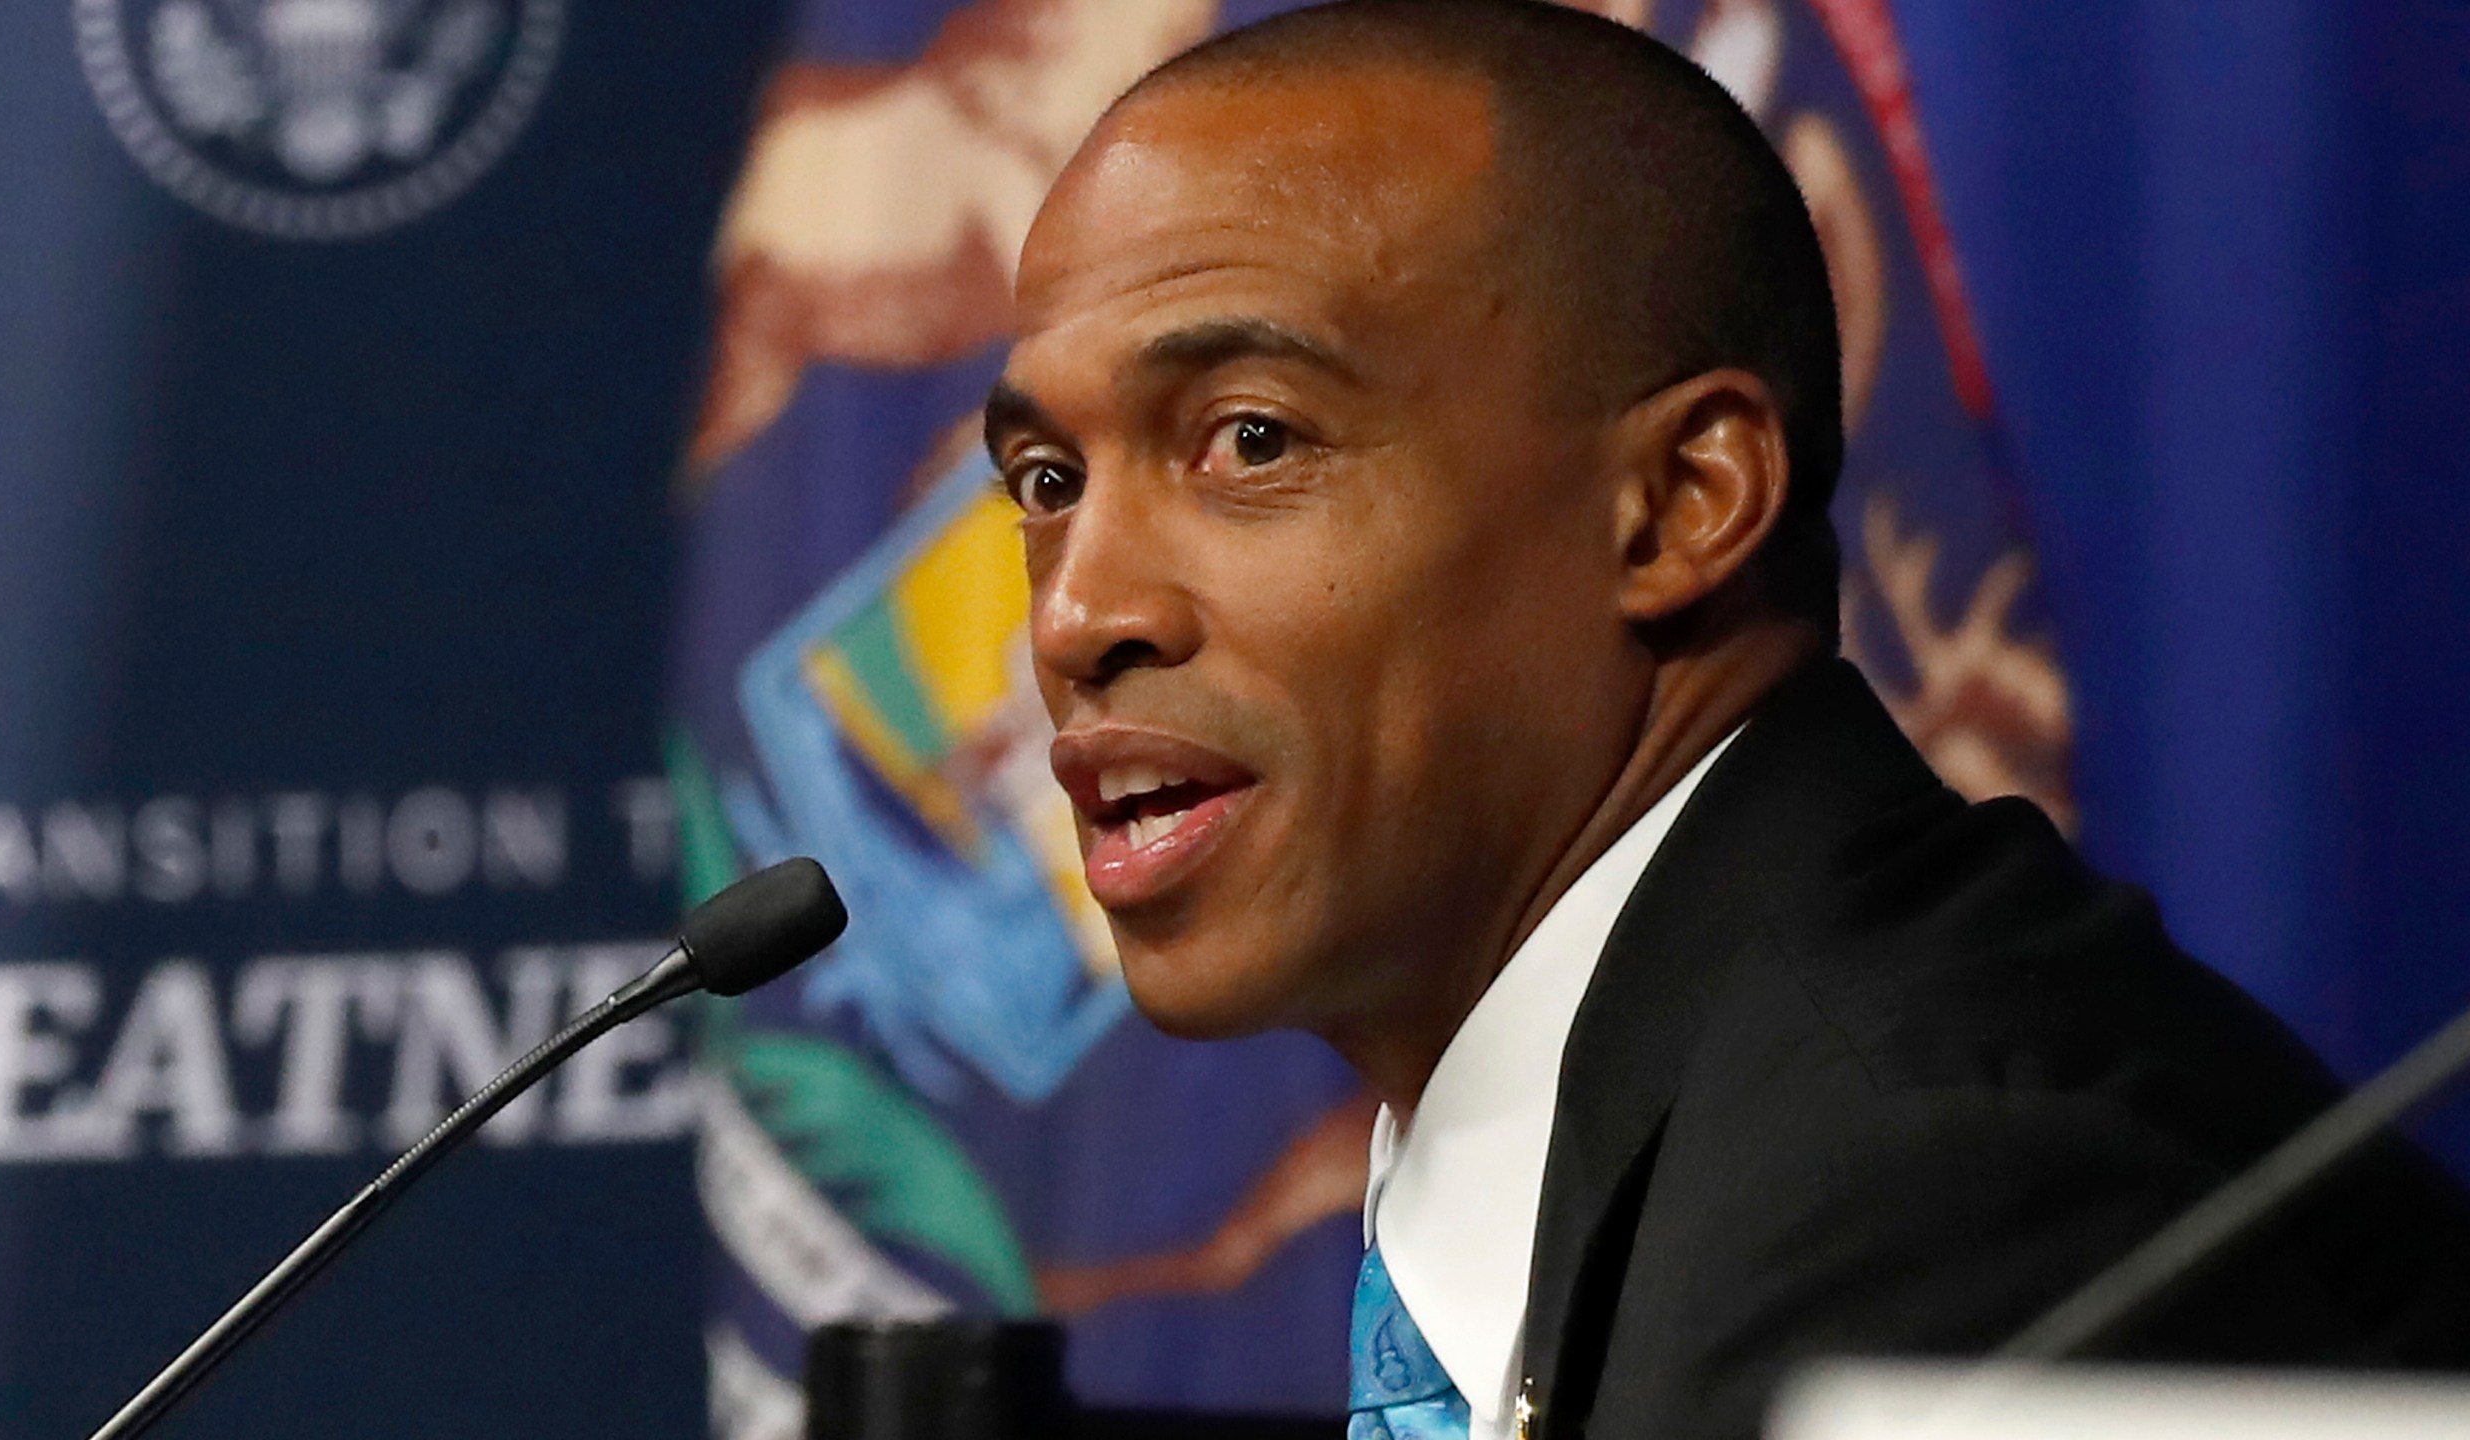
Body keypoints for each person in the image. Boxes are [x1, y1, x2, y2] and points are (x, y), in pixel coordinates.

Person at [978, 2, 2470, 1436]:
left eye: (1251, 440)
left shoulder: (1933, 1204)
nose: (1075, 618)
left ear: (1682, 505)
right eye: (1048, 482)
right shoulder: (1706, 1105)